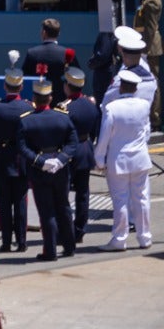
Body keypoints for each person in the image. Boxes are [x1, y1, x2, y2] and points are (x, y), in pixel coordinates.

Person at [19, 78, 79, 260]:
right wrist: (61, 160)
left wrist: (40, 162)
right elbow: (72, 142)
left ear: (34, 99)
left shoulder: (26, 121)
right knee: (63, 207)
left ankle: (50, 251)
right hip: (60, 169)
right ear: (50, 98)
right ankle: (69, 247)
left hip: (40, 170)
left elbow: (22, 148)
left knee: (47, 211)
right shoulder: (62, 117)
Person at [94, 69, 153, 250]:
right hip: (140, 158)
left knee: (120, 200)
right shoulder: (144, 105)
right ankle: (145, 238)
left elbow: (104, 137)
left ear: (120, 87)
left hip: (118, 160)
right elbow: (147, 132)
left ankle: (119, 239)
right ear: (135, 88)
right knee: (141, 198)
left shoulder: (112, 108)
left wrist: (99, 160)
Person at [0, 66, 32, 252]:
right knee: (21, 201)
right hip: (21, 160)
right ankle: (21, 242)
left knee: (3, 203)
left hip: (1, 159)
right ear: (21, 87)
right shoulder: (28, 107)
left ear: (5, 86)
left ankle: (5, 242)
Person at [58, 67, 100, 242]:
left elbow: (60, 132)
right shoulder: (91, 105)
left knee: (63, 194)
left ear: (68, 86)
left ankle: (66, 232)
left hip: (69, 151)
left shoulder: (65, 108)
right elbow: (95, 130)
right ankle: (80, 230)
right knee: (83, 193)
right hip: (86, 148)